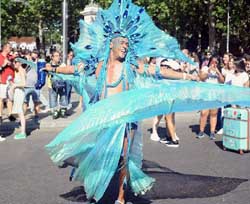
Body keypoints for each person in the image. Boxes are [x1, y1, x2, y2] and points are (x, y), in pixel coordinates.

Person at [45, 1, 250, 203]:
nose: (125, 47)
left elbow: (158, 71)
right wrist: (53, 69)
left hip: (127, 120)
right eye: (122, 44)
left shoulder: (131, 68)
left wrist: (190, 77)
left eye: (127, 44)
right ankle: (92, 177)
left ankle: (121, 197)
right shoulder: (99, 67)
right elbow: (74, 70)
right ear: (111, 44)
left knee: (124, 156)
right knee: (105, 154)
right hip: (107, 119)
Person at [197, 56, 224, 140]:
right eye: (213, 61)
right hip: (205, 94)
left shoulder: (219, 70)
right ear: (210, 61)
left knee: (214, 113)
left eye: (216, 62)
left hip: (215, 94)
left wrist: (218, 72)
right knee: (204, 113)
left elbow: (222, 81)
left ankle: (212, 132)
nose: (214, 64)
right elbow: (201, 78)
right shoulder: (205, 68)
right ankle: (201, 131)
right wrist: (209, 70)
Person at [9, 58, 27, 139]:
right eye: (14, 62)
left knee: (20, 112)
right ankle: (22, 130)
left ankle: (23, 132)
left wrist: (14, 85)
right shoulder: (17, 70)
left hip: (20, 92)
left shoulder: (21, 70)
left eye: (16, 62)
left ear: (20, 62)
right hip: (17, 92)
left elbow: (24, 83)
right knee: (19, 112)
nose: (14, 63)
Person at [0, 42, 15, 129]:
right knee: (1, 99)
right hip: (2, 80)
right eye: (9, 47)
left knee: (10, 99)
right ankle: (0, 114)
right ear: (5, 48)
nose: (11, 49)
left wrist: (11, 64)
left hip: (10, 81)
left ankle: (10, 114)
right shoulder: (0, 56)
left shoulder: (11, 57)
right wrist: (4, 65)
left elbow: (16, 67)